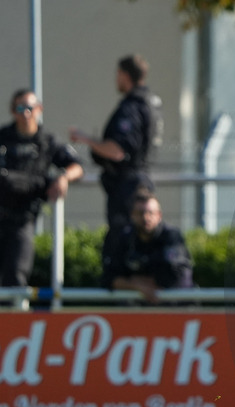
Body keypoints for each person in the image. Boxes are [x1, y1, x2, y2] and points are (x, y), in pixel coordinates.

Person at [70, 54, 161, 257]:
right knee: (139, 242)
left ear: (124, 75)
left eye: (117, 74)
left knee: (121, 245)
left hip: (126, 187)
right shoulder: (150, 103)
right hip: (141, 181)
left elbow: (117, 151)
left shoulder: (131, 107)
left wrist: (85, 139)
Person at [0, 89, 83, 287]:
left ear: (39, 109)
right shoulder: (3, 137)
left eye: (30, 108)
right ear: (13, 111)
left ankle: (15, 317)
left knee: (16, 277)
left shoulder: (47, 142)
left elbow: (77, 167)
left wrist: (63, 177)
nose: (25, 113)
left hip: (23, 219)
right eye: (20, 108)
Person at [101, 189, 194, 304]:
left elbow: (175, 275)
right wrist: (135, 285)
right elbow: (109, 278)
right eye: (140, 213)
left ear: (159, 215)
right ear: (132, 215)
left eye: (150, 213)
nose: (146, 218)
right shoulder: (125, 238)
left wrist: (134, 280)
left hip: (175, 310)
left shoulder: (171, 236)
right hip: (139, 312)